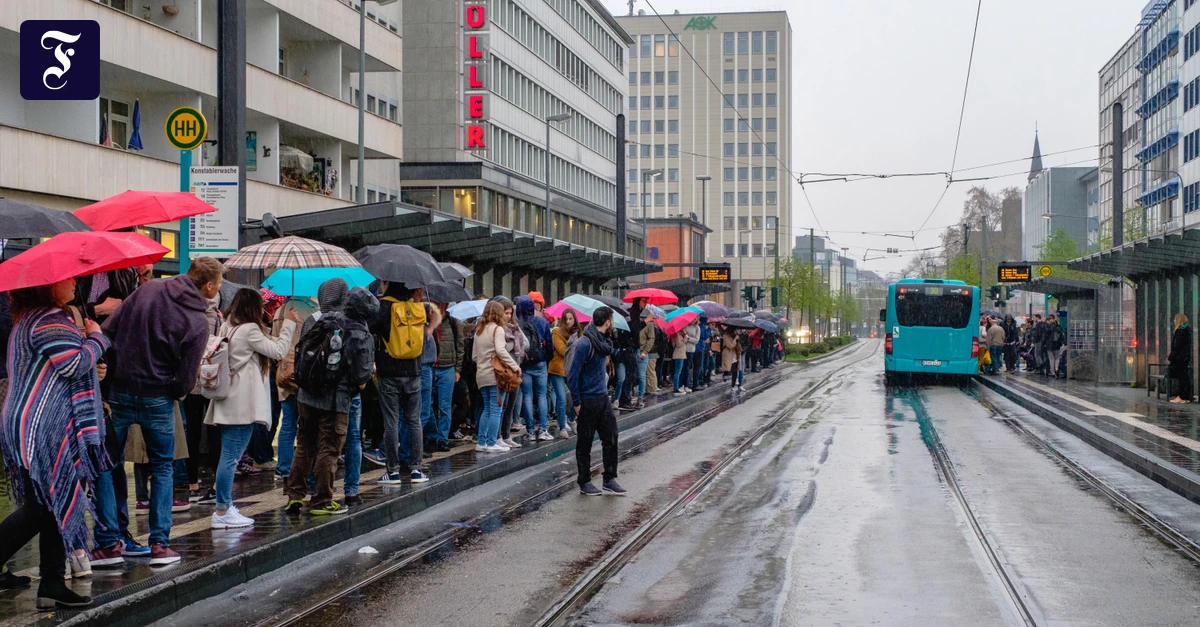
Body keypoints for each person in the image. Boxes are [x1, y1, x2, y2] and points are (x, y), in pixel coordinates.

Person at [94, 257, 221, 567]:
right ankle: (160, 546)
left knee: (106, 465)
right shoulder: (196, 321)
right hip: (159, 398)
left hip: (120, 390)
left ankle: (109, 543)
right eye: (217, 285)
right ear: (207, 285)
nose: (218, 290)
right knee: (162, 468)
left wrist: (110, 373)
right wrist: (173, 393)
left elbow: (108, 331)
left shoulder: (148, 290)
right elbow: (187, 377)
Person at [0, 276, 110, 607]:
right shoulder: (48, 318)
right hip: (42, 426)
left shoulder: (30, 317)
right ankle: (51, 582)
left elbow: (62, 366)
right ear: (46, 284)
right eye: (68, 279)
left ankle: (52, 583)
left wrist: (91, 359)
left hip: (34, 421)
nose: (75, 282)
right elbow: (73, 365)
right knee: (42, 506)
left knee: (53, 504)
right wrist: (97, 340)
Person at [204, 289, 298, 528]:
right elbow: (277, 351)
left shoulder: (228, 326)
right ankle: (223, 511)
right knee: (231, 457)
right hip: (241, 404)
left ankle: (224, 507)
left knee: (228, 455)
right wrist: (288, 324)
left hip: (227, 400)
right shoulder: (249, 330)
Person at [285, 286, 378, 515]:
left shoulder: (316, 320)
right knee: (329, 447)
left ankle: (295, 496)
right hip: (336, 400)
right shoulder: (359, 331)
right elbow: (361, 374)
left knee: (304, 444)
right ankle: (322, 500)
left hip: (306, 395)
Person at [372, 282, 437, 484]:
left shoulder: (384, 308)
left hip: (389, 372)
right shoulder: (418, 308)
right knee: (414, 420)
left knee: (391, 421)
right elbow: (434, 317)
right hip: (414, 371)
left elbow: (372, 330)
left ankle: (392, 471)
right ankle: (416, 470)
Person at [567, 306, 624, 496]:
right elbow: (573, 375)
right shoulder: (585, 343)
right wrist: (576, 402)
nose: (613, 324)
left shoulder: (603, 342)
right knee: (585, 443)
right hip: (587, 400)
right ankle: (584, 482)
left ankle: (609, 478)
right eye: (612, 321)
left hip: (602, 397)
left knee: (611, 436)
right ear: (607, 322)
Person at [272, 296, 318, 481]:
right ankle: (305, 468)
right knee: (307, 423)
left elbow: (275, 341)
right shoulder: (312, 311)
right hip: (304, 369)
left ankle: (283, 467)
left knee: (288, 422)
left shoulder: (280, 311)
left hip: (284, 370)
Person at [472, 300, 520, 452]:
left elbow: (474, 356)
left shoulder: (479, 330)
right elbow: (501, 350)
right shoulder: (497, 330)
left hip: (481, 374)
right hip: (495, 375)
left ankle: (481, 441)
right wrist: (515, 366)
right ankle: (492, 442)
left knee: (487, 408)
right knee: (496, 409)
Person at [423, 300, 463, 452]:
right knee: (428, 405)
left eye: (441, 303)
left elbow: (460, 347)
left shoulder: (454, 323)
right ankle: (432, 434)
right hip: (431, 367)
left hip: (447, 368)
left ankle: (442, 439)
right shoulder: (426, 322)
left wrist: (458, 369)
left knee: (445, 406)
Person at [516, 296, 552, 440]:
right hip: (540, 362)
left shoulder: (518, 323)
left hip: (524, 364)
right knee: (542, 395)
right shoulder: (542, 322)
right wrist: (546, 358)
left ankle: (530, 431)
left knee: (527, 396)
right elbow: (549, 343)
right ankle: (543, 429)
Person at [497, 297, 525, 448]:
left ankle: (506, 435)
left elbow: (525, 343)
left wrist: (517, 334)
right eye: (505, 313)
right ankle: (498, 436)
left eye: (510, 313)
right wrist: (511, 343)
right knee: (502, 404)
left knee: (511, 405)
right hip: (504, 370)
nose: (508, 316)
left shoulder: (515, 328)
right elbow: (502, 348)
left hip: (516, 370)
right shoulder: (498, 329)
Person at [550, 308, 582, 438]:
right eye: (566, 319)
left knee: (577, 395)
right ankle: (562, 427)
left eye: (571, 319)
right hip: (557, 369)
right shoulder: (557, 332)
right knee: (561, 398)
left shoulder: (578, 332)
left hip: (571, 369)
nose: (568, 322)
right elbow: (563, 350)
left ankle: (571, 419)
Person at [1169, 313, 1193, 403]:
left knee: (1181, 377)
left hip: (1180, 358)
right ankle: (1185, 397)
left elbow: (1177, 346)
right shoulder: (1187, 330)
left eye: (1175, 319)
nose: (1174, 321)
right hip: (1184, 357)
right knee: (1184, 377)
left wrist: (1171, 357)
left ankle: (1182, 396)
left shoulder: (1180, 331)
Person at [637, 309, 656, 407]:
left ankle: (641, 396)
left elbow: (651, 338)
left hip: (642, 352)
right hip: (633, 351)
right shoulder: (634, 320)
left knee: (641, 376)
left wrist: (645, 351)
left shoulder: (649, 323)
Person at [722, 326, 743, 393]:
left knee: (735, 371)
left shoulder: (736, 336)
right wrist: (735, 339)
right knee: (728, 369)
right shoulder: (726, 336)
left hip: (735, 355)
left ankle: (733, 385)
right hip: (728, 354)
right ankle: (725, 375)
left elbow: (738, 345)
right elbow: (730, 346)